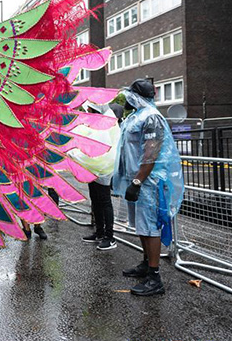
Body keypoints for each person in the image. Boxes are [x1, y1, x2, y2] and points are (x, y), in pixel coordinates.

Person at [113, 79, 184, 296]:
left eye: (129, 96)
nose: (126, 100)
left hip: (148, 182)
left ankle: (155, 277)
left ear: (136, 96)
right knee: (141, 226)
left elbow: (151, 153)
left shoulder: (151, 117)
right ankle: (146, 263)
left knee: (151, 226)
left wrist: (137, 182)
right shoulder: (136, 116)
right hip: (136, 180)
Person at [69, 102, 120, 251]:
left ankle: (109, 237)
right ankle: (99, 233)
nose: (87, 111)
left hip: (103, 169)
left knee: (104, 201)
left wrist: (73, 153)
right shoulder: (98, 123)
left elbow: (96, 148)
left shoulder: (105, 125)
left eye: (90, 108)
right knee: (96, 200)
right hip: (94, 169)